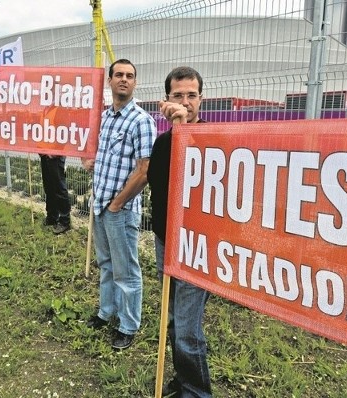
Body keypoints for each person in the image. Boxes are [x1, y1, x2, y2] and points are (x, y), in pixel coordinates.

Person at [82, 59, 156, 350]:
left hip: (119, 210)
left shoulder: (141, 121)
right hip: (99, 204)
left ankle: (128, 325)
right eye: (119, 75)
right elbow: (102, 156)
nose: (124, 79)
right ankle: (106, 312)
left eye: (130, 76)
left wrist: (117, 204)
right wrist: (90, 162)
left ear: (135, 83)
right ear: (110, 81)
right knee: (107, 265)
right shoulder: (106, 118)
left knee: (126, 271)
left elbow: (145, 170)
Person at [147, 66, 212, 397]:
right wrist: (176, 131)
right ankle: (183, 378)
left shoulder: (215, 143)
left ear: (202, 98)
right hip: (166, 242)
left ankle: (198, 391)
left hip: (197, 249)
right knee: (171, 320)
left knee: (187, 329)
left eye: (191, 95)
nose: (185, 102)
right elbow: (160, 190)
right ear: (166, 100)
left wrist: (182, 129)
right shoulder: (162, 144)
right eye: (178, 96)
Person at [39, 154, 72, 234]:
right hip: (45, 154)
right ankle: (52, 217)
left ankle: (65, 221)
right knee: (48, 186)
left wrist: (56, 153)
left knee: (59, 187)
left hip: (56, 155)